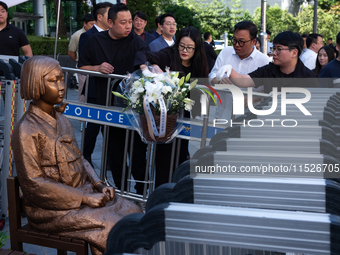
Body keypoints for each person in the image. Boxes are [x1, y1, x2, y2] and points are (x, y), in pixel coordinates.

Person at [12, 56, 142, 255]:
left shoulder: (62, 120)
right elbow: (33, 184)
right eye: (53, 81)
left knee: (133, 211)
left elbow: (80, 159)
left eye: (61, 79)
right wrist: (83, 198)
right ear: (35, 83)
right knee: (111, 226)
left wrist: (99, 184)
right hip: (50, 210)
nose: (62, 86)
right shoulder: (26, 129)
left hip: (84, 192)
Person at [78, 3, 149, 194]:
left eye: (130, 22)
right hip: (107, 107)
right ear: (110, 23)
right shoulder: (94, 41)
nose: (128, 26)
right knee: (114, 153)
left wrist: (147, 68)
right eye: (123, 22)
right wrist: (97, 68)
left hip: (133, 108)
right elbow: (81, 66)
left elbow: (145, 58)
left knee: (137, 153)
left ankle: (142, 191)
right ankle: (122, 192)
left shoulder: (135, 41)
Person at [135, 26, 209, 188]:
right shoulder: (168, 54)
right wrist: (148, 69)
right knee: (164, 158)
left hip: (188, 116)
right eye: (182, 46)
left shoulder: (200, 62)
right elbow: (142, 54)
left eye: (190, 48)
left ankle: (178, 193)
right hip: (166, 118)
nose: (185, 51)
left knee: (183, 157)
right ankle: (161, 192)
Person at [217, 31, 318, 92]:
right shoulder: (268, 70)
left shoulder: (309, 78)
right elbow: (243, 80)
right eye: (274, 48)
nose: (274, 53)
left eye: (279, 49)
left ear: (294, 53)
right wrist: (229, 70)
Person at [209, 21, 270, 119]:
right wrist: (219, 80)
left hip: (249, 116)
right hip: (223, 113)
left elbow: (268, 90)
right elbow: (211, 76)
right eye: (234, 40)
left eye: (241, 42)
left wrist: (252, 98)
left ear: (253, 42)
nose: (236, 45)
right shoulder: (226, 52)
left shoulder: (264, 60)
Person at [78, 2, 112, 165]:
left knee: (110, 126)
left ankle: (111, 159)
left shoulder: (114, 34)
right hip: (93, 87)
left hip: (111, 88)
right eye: (109, 14)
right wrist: (98, 68)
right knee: (93, 126)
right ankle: (85, 158)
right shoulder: (87, 36)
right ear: (100, 17)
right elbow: (83, 64)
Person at [68, 13, 95, 103]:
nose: (93, 26)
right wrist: (78, 61)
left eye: (95, 24)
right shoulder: (77, 35)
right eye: (91, 24)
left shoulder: (98, 33)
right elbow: (71, 52)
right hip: (83, 68)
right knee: (83, 92)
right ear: (85, 23)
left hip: (95, 67)